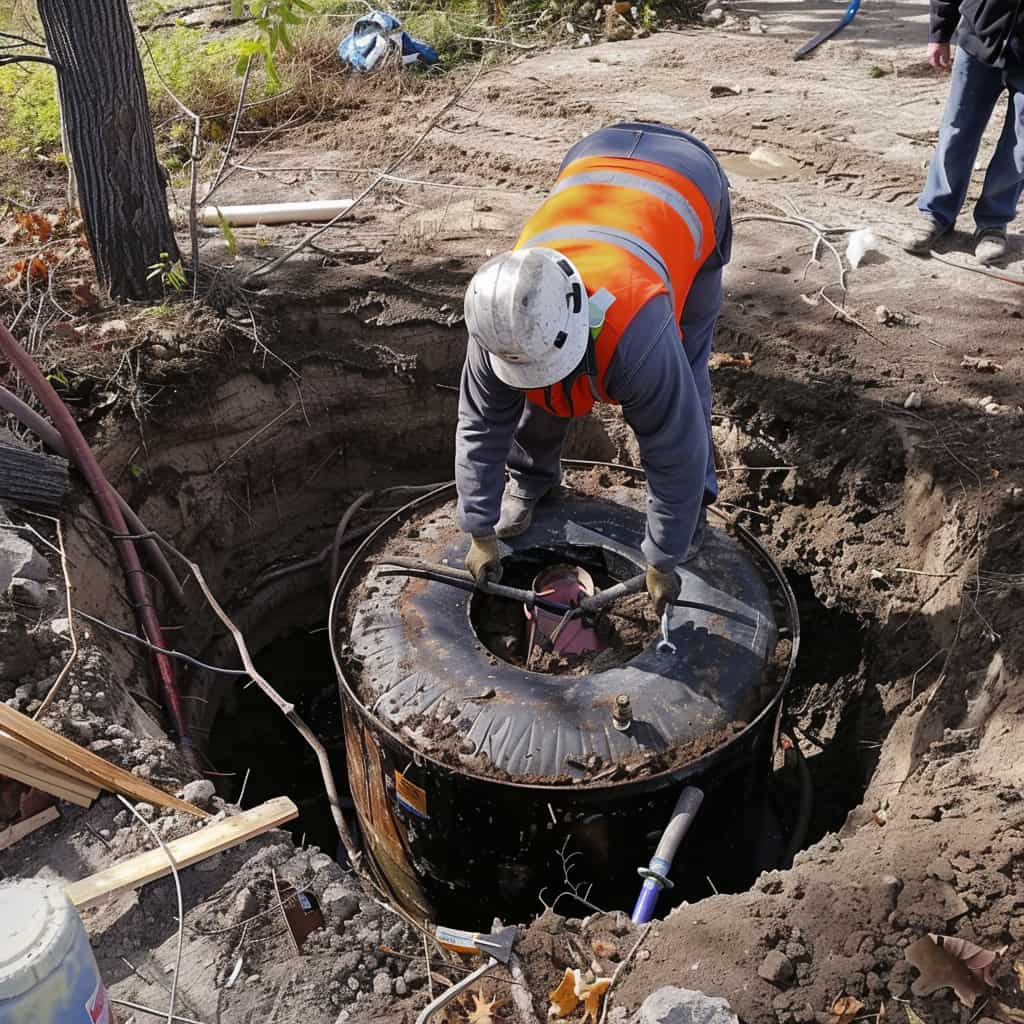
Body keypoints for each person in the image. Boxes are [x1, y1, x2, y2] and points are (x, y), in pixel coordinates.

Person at [454, 122, 732, 616]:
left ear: (576, 329)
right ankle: (531, 479)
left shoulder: (639, 336)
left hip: (691, 187)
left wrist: (662, 558)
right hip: (592, 156)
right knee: (541, 385)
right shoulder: (500, 317)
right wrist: (478, 528)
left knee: (687, 372)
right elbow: (480, 424)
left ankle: (693, 515)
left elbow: (673, 445)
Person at [902, 0, 1023, 264]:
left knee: (1020, 146)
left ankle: (993, 223)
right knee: (957, 129)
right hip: (979, 37)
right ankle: (937, 213)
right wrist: (940, 32)